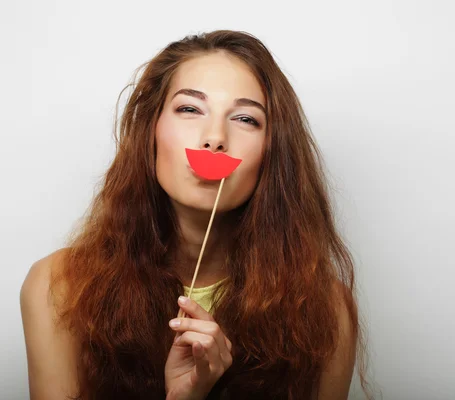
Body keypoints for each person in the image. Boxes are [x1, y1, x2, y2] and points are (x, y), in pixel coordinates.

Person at [20, 30, 373, 400]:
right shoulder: (58, 288)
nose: (215, 138)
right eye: (189, 109)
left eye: (245, 119)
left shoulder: (324, 308)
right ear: (150, 130)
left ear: (273, 153)